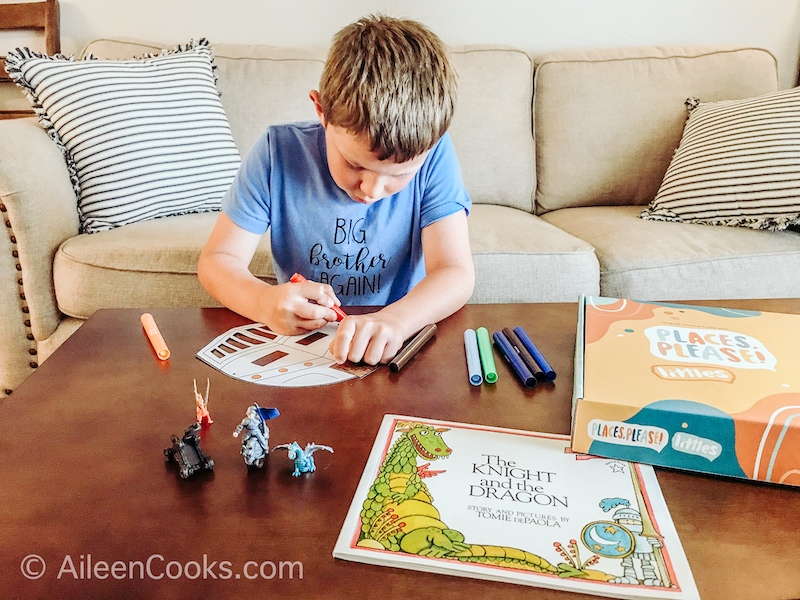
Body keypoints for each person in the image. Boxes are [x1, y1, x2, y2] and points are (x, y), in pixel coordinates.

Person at [198, 14, 474, 365]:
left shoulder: (436, 154)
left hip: (398, 344)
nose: (372, 190)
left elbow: (455, 272)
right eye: (355, 165)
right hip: (303, 347)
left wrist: (395, 320)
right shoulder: (277, 152)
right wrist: (264, 302)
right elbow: (217, 261)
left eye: (400, 174)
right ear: (321, 111)